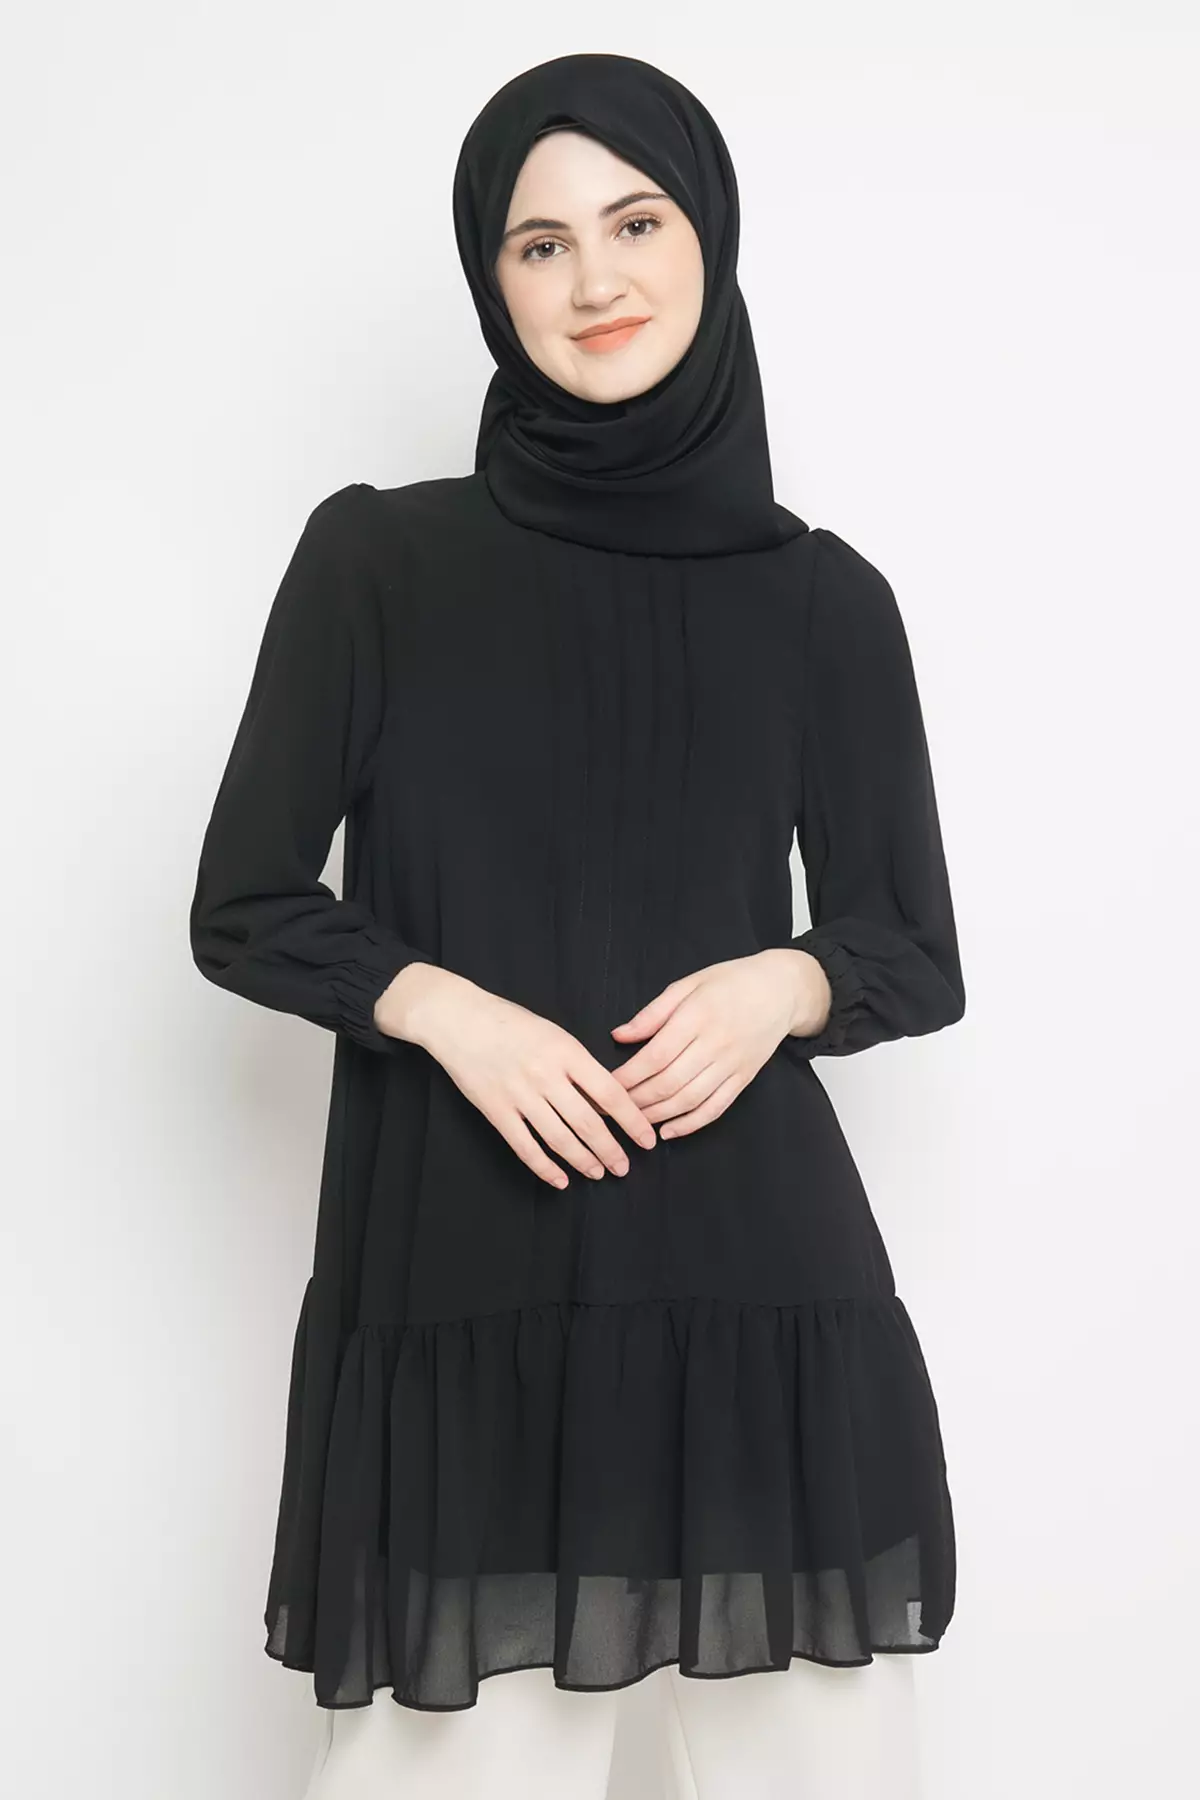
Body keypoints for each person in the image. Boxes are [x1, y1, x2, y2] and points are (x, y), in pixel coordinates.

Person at [189, 50, 965, 1800]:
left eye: (636, 223)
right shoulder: (378, 566)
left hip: (753, 1294)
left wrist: (786, 982)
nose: (593, 278)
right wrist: (443, 1009)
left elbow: (912, 946)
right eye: (538, 245)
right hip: (461, 1287)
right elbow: (243, 905)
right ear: (493, 280)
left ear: (711, 241)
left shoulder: (825, 601)